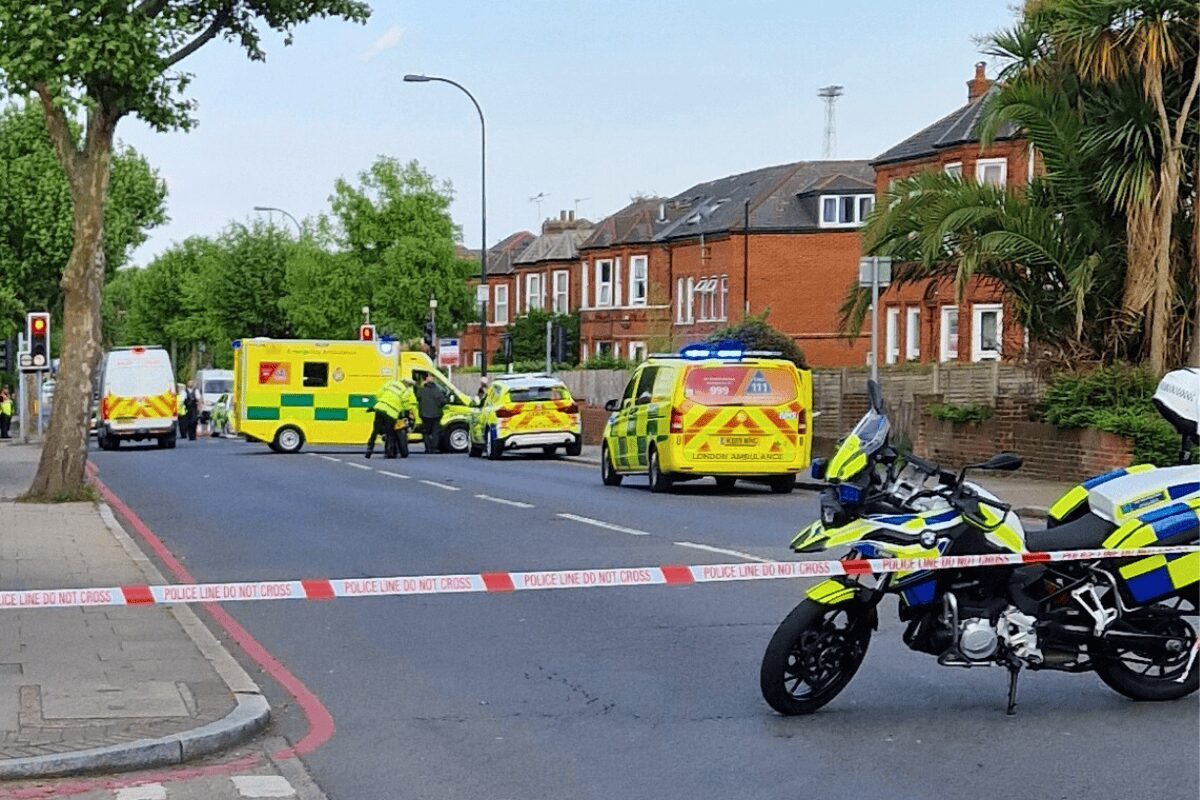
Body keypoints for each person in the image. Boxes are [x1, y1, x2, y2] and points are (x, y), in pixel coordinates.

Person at [366, 378, 413, 459]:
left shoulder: (390, 383)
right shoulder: (405, 391)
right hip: (391, 413)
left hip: (380, 408)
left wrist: (382, 402)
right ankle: (390, 452)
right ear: (408, 385)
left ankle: (369, 450)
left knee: (375, 431)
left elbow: (379, 394)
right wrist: (405, 410)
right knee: (390, 433)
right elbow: (405, 405)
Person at [417, 373, 448, 454]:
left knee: (426, 432)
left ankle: (428, 448)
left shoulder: (421, 390)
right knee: (435, 432)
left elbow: (417, 397)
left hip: (424, 415)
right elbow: (443, 402)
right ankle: (434, 448)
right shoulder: (437, 390)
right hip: (436, 414)